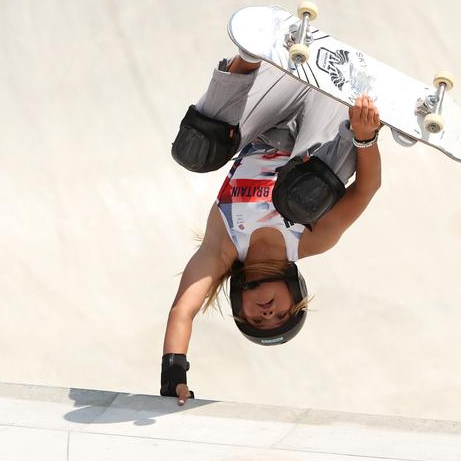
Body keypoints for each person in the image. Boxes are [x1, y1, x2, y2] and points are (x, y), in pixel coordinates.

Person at [161, 52, 381, 405]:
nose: (268, 313)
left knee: (195, 152)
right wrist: (366, 139)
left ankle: (246, 59)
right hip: (326, 127)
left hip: (269, 109)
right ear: (295, 295)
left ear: (239, 305)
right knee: (303, 199)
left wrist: (173, 378)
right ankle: (362, 109)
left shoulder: (223, 246)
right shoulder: (312, 240)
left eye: (259, 320)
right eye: (281, 315)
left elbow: (182, 311)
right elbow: (365, 189)